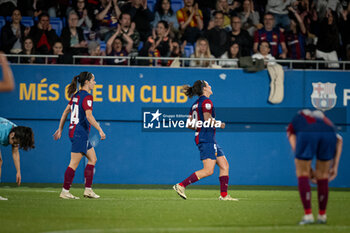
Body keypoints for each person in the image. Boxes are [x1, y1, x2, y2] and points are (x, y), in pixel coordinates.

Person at [173, 80, 238, 201]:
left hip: (206, 138)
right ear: (204, 89)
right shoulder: (207, 102)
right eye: (208, 85)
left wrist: (201, 126)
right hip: (207, 138)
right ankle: (181, 185)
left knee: (224, 165)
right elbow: (208, 119)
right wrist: (219, 124)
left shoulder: (195, 104)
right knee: (208, 170)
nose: (210, 86)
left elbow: (189, 124)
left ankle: (224, 196)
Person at [53, 71, 106, 199]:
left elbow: (66, 111)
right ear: (87, 82)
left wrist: (60, 128)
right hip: (79, 133)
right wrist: (100, 129)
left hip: (75, 132)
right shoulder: (87, 96)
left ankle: (88, 190)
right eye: (93, 80)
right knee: (73, 163)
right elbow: (89, 116)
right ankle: (65, 191)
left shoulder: (76, 95)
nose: (95, 82)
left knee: (93, 158)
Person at [287, 109, 343, 224]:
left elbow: (293, 140)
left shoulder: (298, 119)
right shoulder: (325, 121)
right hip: (329, 134)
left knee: (302, 173)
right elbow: (339, 140)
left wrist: (306, 168)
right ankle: (322, 216)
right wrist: (335, 166)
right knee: (323, 175)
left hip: (307, 133)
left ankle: (308, 215)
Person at [0, 117, 35, 200]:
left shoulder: (17, 133)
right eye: (15, 142)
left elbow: (15, 152)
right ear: (12, 135)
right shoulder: (2, 131)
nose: (15, 144)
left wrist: (18, 171)